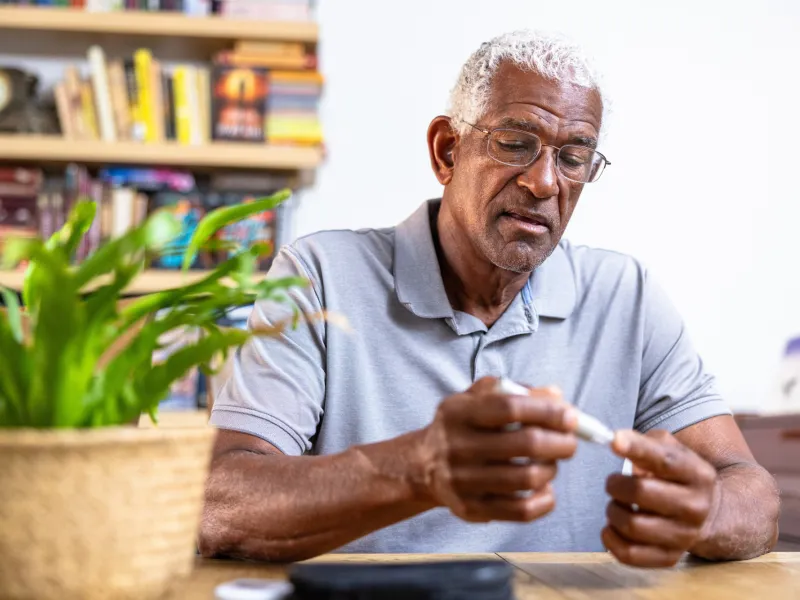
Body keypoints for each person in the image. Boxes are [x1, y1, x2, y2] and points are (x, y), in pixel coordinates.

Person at [200, 31, 779, 567]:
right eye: (516, 144)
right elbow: (218, 504)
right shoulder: (321, 276)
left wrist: (708, 513)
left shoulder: (625, 295)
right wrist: (418, 468)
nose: (545, 183)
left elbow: (752, 493)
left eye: (573, 158)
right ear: (447, 151)